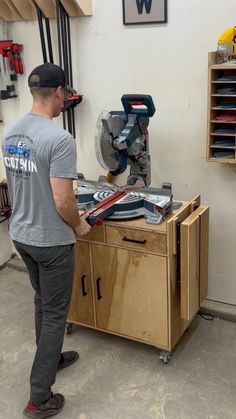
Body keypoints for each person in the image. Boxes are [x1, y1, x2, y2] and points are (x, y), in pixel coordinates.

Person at [1, 63, 91, 418]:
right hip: (51, 241)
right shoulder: (59, 139)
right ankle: (39, 397)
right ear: (58, 93)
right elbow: (62, 200)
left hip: (21, 235)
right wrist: (80, 225)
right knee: (55, 314)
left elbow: (20, 182)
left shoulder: (12, 132)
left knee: (42, 303)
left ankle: (51, 357)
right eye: (65, 94)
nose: (65, 99)